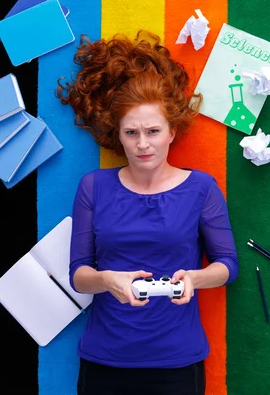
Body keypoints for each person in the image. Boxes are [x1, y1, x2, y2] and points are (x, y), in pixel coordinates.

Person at [57, 31, 239, 395]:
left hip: (176, 362)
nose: (143, 144)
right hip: (104, 360)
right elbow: (79, 275)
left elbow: (227, 266)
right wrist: (109, 280)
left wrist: (194, 278)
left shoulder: (201, 188)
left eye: (153, 131)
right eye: (132, 132)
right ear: (118, 135)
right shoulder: (93, 186)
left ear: (172, 131)